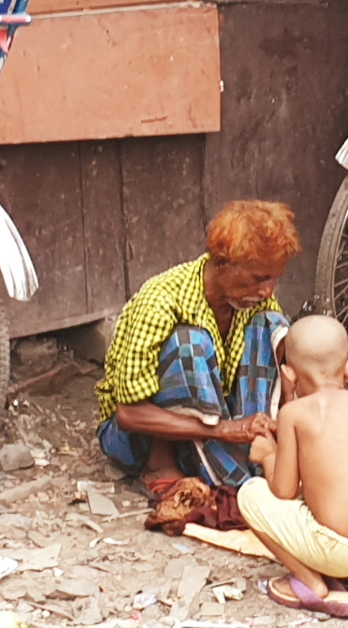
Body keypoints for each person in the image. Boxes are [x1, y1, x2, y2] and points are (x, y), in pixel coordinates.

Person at [94, 200, 299, 498]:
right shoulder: (161, 301)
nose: (268, 290)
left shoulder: (257, 300)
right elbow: (129, 414)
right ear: (221, 264)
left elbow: (281, 366)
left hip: (215, 421)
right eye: (259, 278)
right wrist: (222, 430)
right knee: (189, 343)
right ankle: (163, 466)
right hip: (134, 439)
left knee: (272, 326)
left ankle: (251, 455)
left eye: (274, 279)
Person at [240, 315, 348, 618]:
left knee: (250, 494)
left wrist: (268, 454)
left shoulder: (292, 413)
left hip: (336, 552)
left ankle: (311, 584)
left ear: (288, 374)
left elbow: (284, 491)